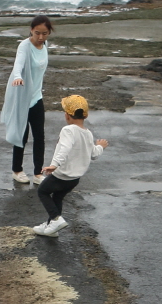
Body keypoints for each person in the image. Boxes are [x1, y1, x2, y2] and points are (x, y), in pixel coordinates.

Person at [32, 95, 109, 237]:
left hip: (61, 175)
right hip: (74, 179)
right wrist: (100, 146)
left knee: (42, 191)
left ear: (67, 115)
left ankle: (56, 220)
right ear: (85, 115)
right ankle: (51, 227)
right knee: (57, 198)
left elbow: (65, 149)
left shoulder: (68, 130)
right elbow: (94, 154)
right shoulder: (88, 133)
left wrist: (54, 165)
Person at [0, 15, 52, 183]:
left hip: (36, 96)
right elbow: (19, 63)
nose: (41, 37)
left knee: (39, 136)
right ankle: (17, 170)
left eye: (44, 33)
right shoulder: (24, 46)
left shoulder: (45, 45)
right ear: (31, 30)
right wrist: (17, 77)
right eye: (37, 33)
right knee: (21, 134)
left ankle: (38, 173)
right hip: (22, 96)